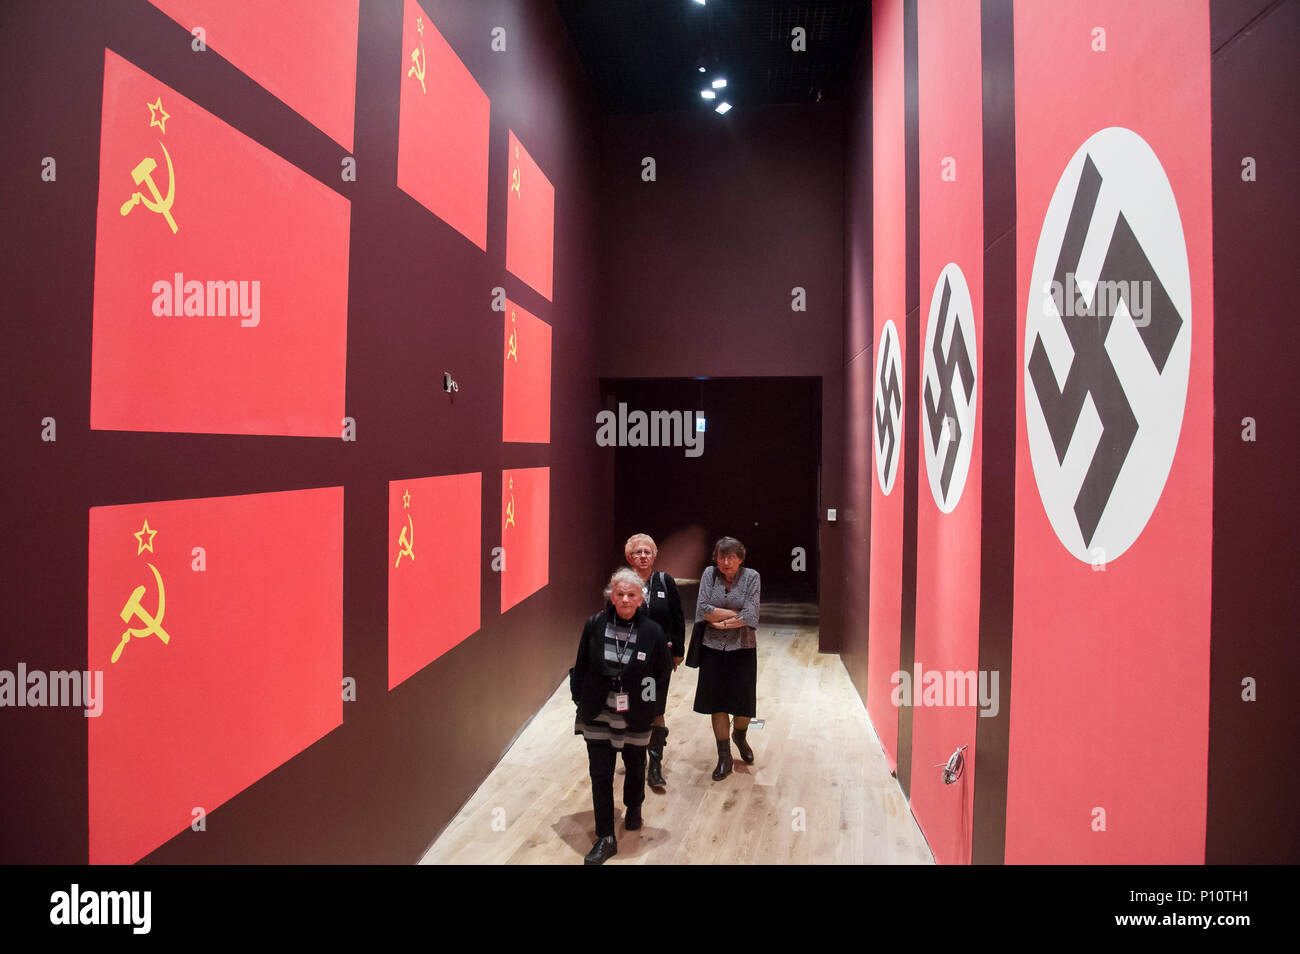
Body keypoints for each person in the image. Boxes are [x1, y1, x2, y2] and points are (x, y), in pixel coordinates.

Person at [571, 567, 671, 865]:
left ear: (641, 599)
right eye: (620, 594)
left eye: (631, 594)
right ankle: (605, 836)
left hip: (636, 712)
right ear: (610, 597)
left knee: (635, 765)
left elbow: (661, 674)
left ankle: (634, 806)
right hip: (599, 710)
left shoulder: (653, 632)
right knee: (600, 774)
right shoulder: (595, 624)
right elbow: (581, 664)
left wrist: (653, 709)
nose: (625, 599)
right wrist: (580, 699)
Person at [692, 536, 761, 781]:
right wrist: (735, 616)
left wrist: (721, 620)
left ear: (740, 559)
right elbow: (701, 610)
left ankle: (739, 735)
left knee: (743, 705)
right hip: (712, 647)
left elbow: (753, 615)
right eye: (721, 556)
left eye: (731, 557)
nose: (725, 561)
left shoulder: (752, 577)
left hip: (742, 648)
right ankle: (724, 756)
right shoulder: (709, 574)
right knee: (717, 703)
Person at [624, 533, 685, 788]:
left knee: (656, 709)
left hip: (659, 659)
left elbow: (678, 618)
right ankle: (634, 763)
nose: (643, 556)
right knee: (630, 708)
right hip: (629, 660)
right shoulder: (622, 583)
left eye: (647, 552)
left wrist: (678, 651)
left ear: (654, 555)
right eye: (637, 552)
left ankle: (655, 765)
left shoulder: (665, 581)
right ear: (629, 557)